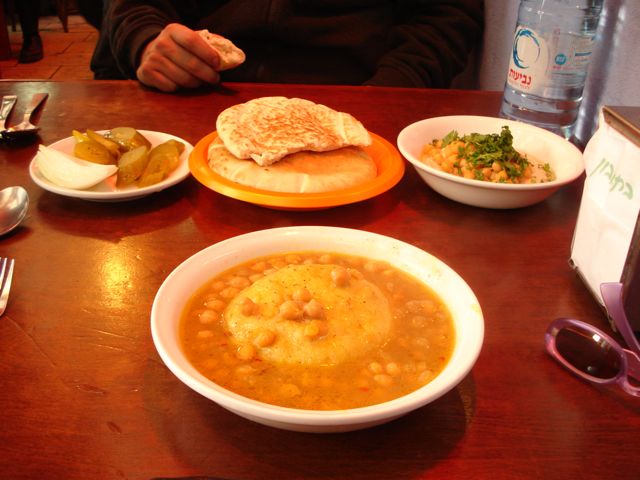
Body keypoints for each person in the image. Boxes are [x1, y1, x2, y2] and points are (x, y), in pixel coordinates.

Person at [91, 0, 484, 93]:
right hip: (194, 92)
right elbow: (132, 5)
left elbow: (445, 17)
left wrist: (387, 93)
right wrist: (145, 43)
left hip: (355, 94)